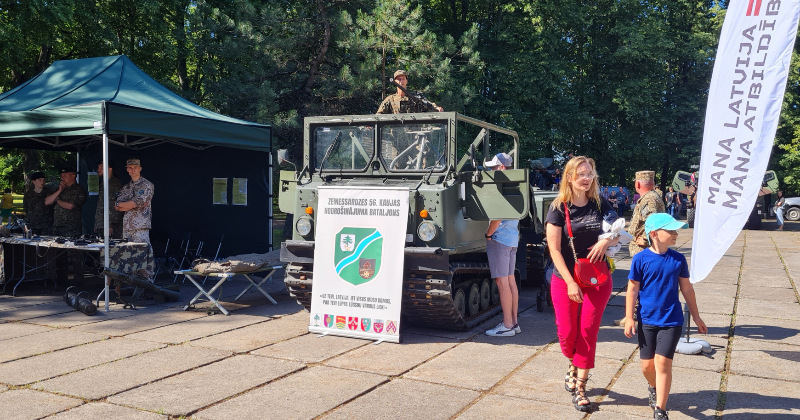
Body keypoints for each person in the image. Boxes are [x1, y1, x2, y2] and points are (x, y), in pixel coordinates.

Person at [545, 156, 620, 413]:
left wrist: (606, 241)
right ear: (569, 177)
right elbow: (554, 250)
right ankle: (573, 364)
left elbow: (618, 230)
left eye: (590, 173)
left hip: (598, 279)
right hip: (565, 278)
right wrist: (569, 283)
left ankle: (580, 387)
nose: (586, 178)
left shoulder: (600, 204)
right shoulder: (558, 208)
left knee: (588, 331)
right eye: (581, 174)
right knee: (567, 334)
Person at [623, 213, 707, 420]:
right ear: (654, 234)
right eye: (670, 231)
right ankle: (653, 386)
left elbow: (687, 290)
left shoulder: (678, 259)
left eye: (676, 230)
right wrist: (629, 318)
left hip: (671, 321)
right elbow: (632, 290)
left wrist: (696, 316)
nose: (675, 234)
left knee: (662, 364)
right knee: (647, 366)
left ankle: (660, 409)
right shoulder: (640, 259)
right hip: (646, 320)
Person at [484, 153, 521, 337]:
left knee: (502, 283)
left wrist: (488, 234)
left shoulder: (500, 187)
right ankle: (514, 323)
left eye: (493, 167)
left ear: (501, 168)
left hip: (500, 239)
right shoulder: (514, 185)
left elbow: (497, 217)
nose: (491, 171)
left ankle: (507, 325)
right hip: (512, 238)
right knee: (510, 280)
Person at [46, 167, 88, 284]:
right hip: (58, 226)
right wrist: (59, 191)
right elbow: (47, 201)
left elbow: (70, 206)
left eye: (65, 175)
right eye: (62, 175)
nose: (62, 177)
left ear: (73, 176)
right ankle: (61, 278)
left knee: (74, 253)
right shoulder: (59, 189)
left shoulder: (78, 190)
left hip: (71, 227)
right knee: (59, 254)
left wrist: (58, 200)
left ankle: (79, 279)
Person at [115, 159, 155, 281]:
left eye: (135, 167)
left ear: (140, 168)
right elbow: (117, 206)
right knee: (129, 256)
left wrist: (128, 204)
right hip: (127, 226)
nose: (133, 170)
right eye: (130, 167)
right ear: (127, 169)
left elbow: (139, 202)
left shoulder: (147, 185)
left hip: (140, 226)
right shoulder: (126, 187)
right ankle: (132, 284)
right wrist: (131, 204)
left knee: (144, 254)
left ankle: (148, 284)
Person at [628, 171, 666, 257]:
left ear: (637, 184)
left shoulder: (649, 199)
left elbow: (652, 219)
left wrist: (646, 240)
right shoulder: (652, 197)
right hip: (646, 251)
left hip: (645, 251)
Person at [377, 70, 444, 114]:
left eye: (403, 79)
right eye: (399, 79)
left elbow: (428, 104)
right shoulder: (390, 99)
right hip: (396, 134)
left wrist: (436, 108)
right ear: (395, 82)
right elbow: (378, 115)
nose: (401, 81)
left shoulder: (415, 97)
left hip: (414, 133)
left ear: (406, 81)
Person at [94, 161, 124, 239]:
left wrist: (109, 225)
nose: (98, 170)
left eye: (101, 167)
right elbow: (101, 204)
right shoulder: (104, 183)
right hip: (102, 223)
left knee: (111, 249)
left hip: (110, 225)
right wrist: (97, 223)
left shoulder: (113, 184)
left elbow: (113, 205)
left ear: (109, 169)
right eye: (98, 167)